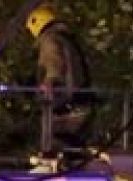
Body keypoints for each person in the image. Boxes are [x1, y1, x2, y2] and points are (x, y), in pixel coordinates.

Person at [26, 2, 94, 152]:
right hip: (81, 103)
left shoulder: (49, 40)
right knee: (73, 148)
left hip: (64, 105)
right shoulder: (66, 38)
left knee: (53, 146)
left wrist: (48, 84)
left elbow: (54, 63)